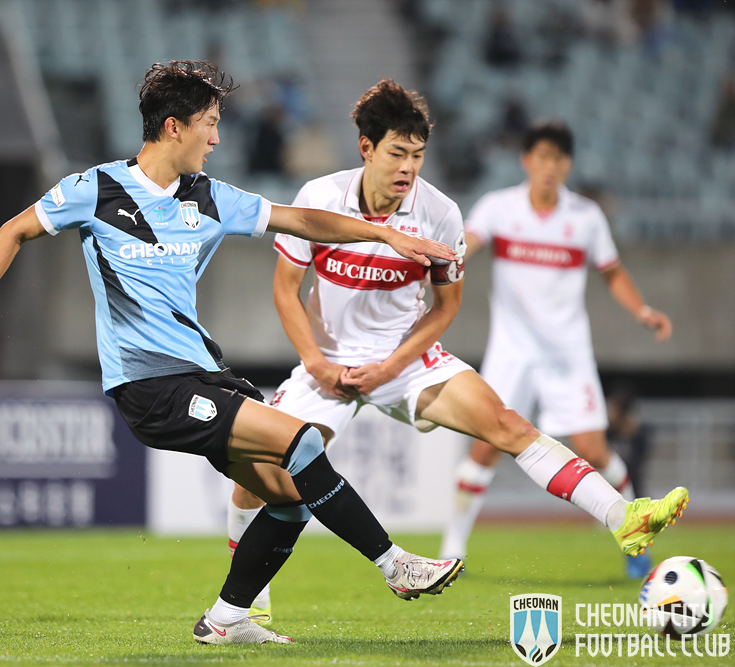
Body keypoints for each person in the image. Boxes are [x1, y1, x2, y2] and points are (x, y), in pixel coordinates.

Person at [0, 61, 464, 646]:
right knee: (302, 442)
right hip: (150, 385)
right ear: (174, 127)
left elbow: (299, 219)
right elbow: (13, 230)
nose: (216, 139)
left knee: (289, 498)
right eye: (209, 124)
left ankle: (226, 619)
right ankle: (394, 565)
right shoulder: (96, 189)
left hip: (202, 375)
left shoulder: (209, 197)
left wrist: (384, 233)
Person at [226, 83, 687, 624]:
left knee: (507, 425)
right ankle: (249, 606)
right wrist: (316, 362)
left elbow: (446, 307)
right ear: (366, 148)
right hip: (326, 364)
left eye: (418, 155)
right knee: (255, 476)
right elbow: (285, 290)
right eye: (397, 153)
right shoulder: (319, 197)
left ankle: (621, 516)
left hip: (405, 362)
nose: (408, 167)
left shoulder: (441, 213)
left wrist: (392, 366)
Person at [439, 121, 674, 580]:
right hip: (512, 353)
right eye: (543, 157)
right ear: (527, 160)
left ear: (568, 165)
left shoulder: (585, 217)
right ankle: (452, 549)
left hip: (567, 355)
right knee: (484, 450)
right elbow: (468, 243)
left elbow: (612, 271)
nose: (550, 166)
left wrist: (641, 309)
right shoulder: (498, 207)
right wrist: (445, 259)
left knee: (595, 453)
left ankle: (636, 537)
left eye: (559, 158)